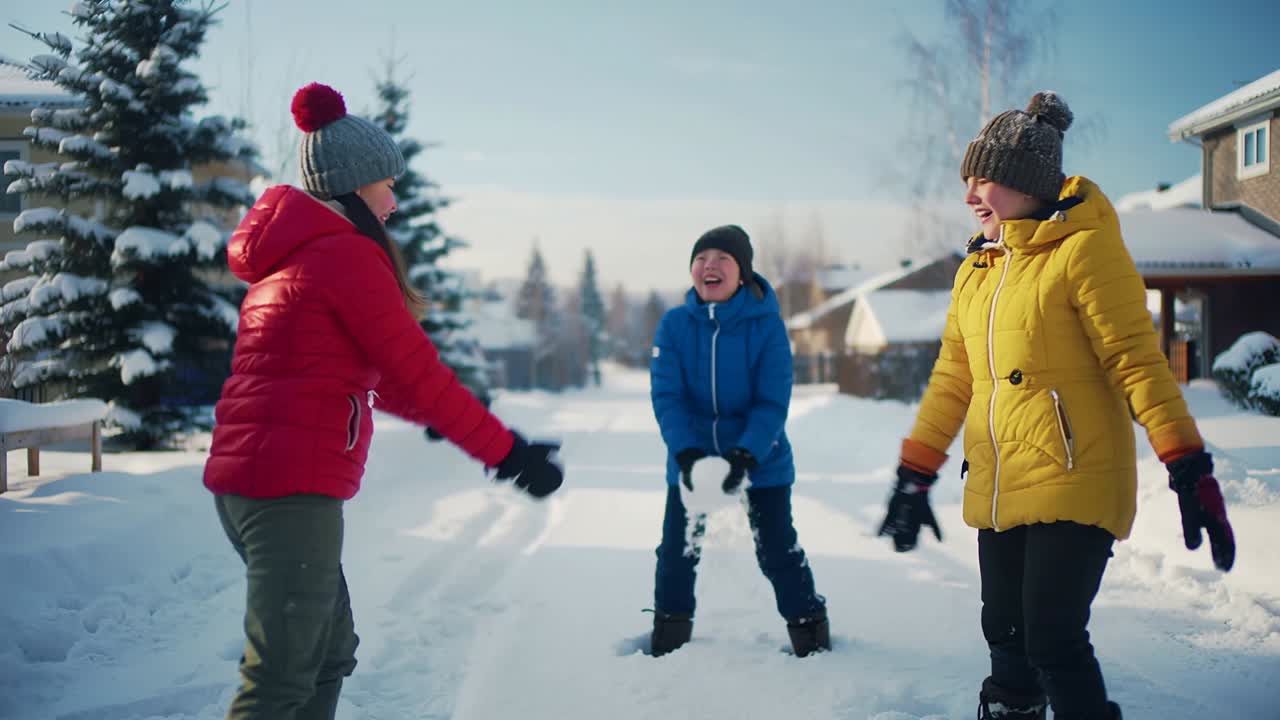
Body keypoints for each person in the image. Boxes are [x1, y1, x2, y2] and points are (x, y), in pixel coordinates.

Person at [204, 82, 564, 720]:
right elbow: (418, 371)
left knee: (328, 653)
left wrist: (442, 421)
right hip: (289, 490)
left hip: (259, 486)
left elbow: (381, 379)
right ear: (352, 187)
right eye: (385, 185)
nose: (394, 201)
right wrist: (508, 453)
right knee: (282, 678)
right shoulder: (342, 257)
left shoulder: (291, 260)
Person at [877, 92, 1236, 720]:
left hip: (1076, 476)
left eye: (982, 179)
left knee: (1052, 639)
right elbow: (951, 381)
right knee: (1006, 637)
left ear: (1025, 184)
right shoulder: (977, 271)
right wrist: (915, 472)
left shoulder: (1084, 252)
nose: (969, 196)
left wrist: (1187, 462)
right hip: (998, 482)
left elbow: (1136, 360)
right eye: (967, 181)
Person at [647, 224, 830, 658]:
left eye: (721, 259)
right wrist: (688, 455)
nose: (709, 266)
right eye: (701, 259)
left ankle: (810, 634)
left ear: (742, 273)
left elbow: (772, 400)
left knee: (777, 550)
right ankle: (668, 642)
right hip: (691, 459)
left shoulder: (766, 327)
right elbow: (666, 396)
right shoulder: (674, 325)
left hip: (759, 459)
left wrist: (744, 455)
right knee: (676, 552)